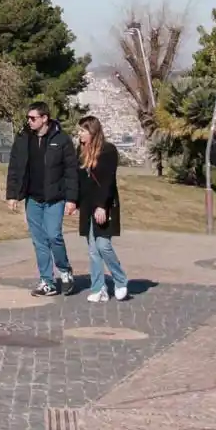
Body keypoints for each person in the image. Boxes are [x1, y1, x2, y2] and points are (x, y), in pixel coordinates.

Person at [6, 101, 79, 296]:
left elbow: (71, 171)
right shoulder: (23, 138)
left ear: (45, 118)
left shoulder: (61, 139)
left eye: (33, 118)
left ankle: (64, 271)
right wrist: (12, 195)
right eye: (28, 118)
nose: (29, 121)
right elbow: (14, 168)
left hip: (55, 198)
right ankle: (47, 281)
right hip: (33, 198)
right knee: (39, 241)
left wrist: (72, 199)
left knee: (54, 235)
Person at [73, 116, 129, 301]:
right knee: (92, 249)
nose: (79, 134)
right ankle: (98, 288)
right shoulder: (80, 151)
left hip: (104, 205)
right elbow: (79, 181)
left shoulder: (107, 150)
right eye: (79, 130)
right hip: (87, 206)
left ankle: (120, 280)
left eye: (83, 130)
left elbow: (107, 181)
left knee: (103, 245)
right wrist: (74, 202)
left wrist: (101, 206)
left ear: (93, 132)